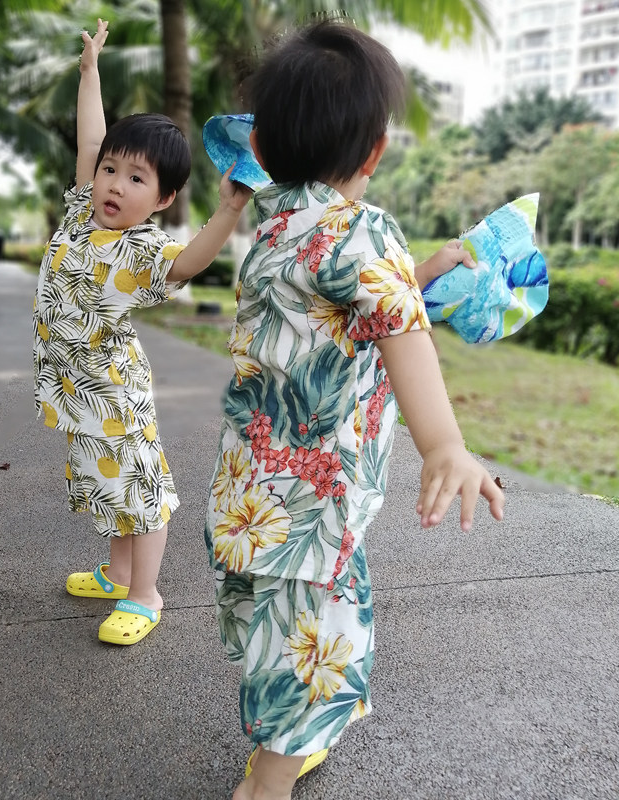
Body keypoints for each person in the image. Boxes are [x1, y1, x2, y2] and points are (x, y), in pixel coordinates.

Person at [203, 19, 505, 800]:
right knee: (311, 650)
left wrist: (432, 265)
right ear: (372, 152)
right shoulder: (361, 232)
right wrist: (444, 443)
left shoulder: (275, 231)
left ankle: (306, 724)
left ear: (262, 149)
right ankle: (266, 782)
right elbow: (399, 327)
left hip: (253, 497)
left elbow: (359, 308)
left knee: (289, 629)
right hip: (317, 506)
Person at [32, 19, 251, 646]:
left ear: (161, 199)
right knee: (108, 484)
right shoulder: (81, 212)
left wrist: (230, 209)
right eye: (110, 171)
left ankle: (145, 593)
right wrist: (90, 71)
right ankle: (117, 573)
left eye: (136, 180)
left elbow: (188, 263)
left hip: (114, 394)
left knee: (139, 491)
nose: (114, 185)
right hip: (78, 392)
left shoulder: (142, 251)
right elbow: (93, 136)